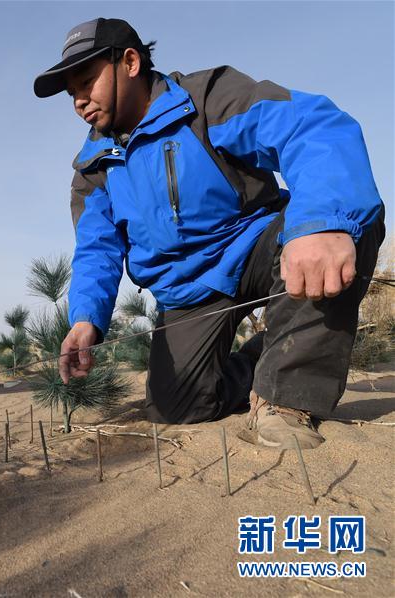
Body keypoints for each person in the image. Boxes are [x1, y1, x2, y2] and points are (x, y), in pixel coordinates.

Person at [33, 17, 385, 449]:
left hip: (256, 247)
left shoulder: (204, 101)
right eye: (72, 94)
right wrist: (86, 320)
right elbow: (96, 250)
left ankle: (287, 399)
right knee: (176, 407)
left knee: (343, 221)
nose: (80, 101)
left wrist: (321, 224)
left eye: (87, 82)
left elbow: (311, 127)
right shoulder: (92, 171)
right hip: (186, 291)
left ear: (129, 62)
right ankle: (270, 356)